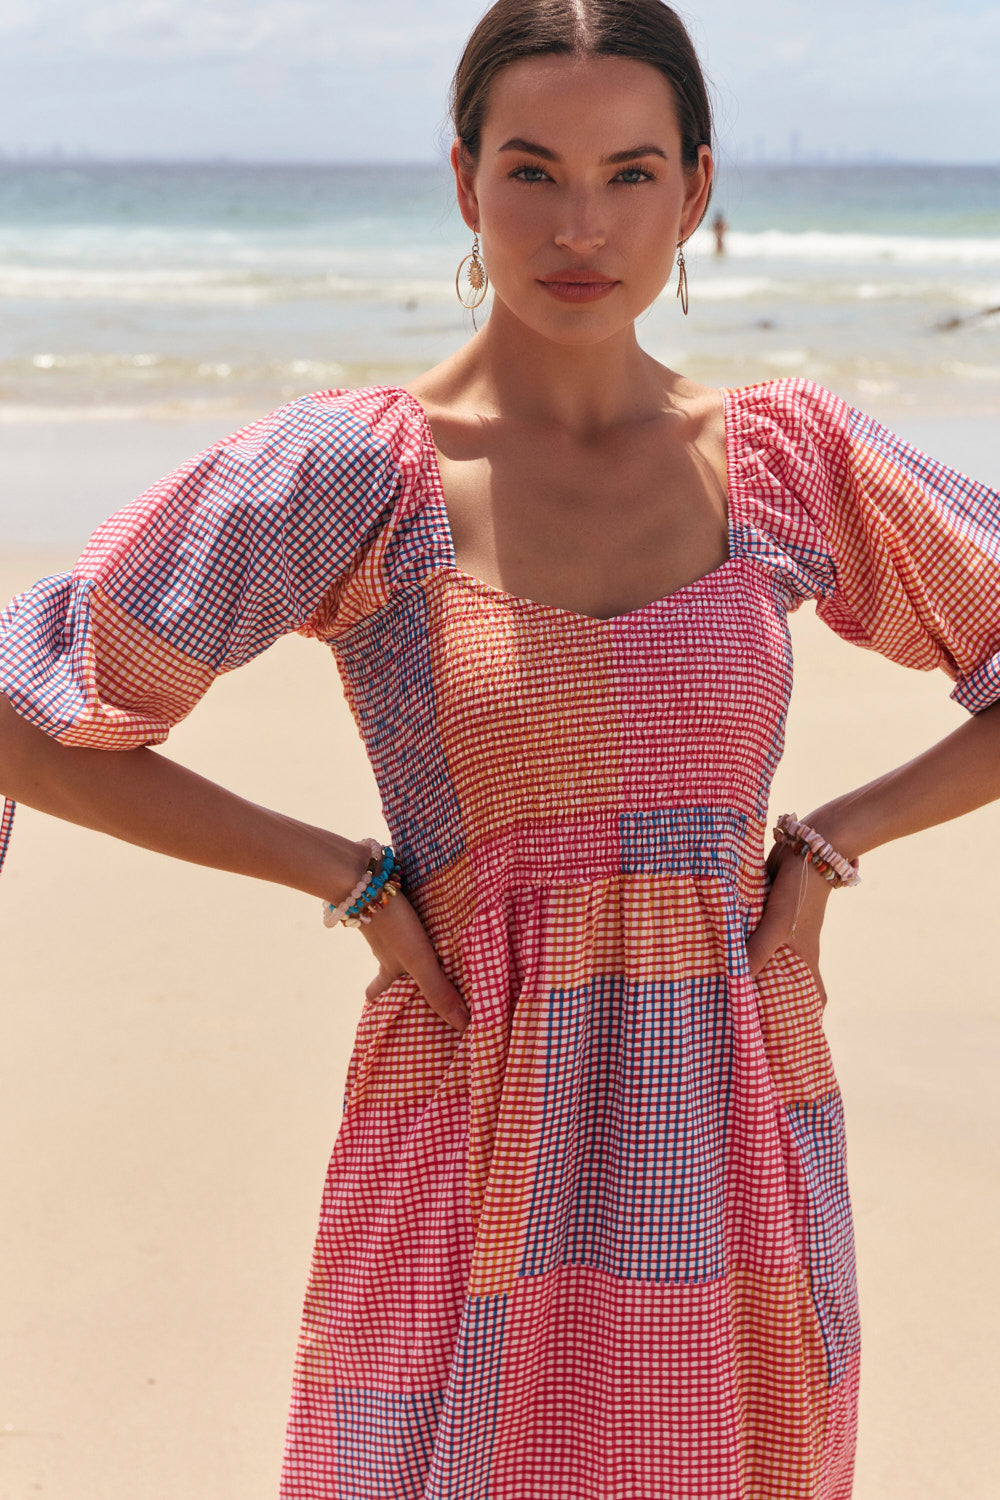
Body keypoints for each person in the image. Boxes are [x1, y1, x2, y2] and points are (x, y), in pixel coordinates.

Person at [2, 2, 999, 1496]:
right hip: (475, 1102)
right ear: (464, 185)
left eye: (631, 173)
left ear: (699, 191)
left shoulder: (787, 463)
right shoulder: (363, 476)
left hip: (728, 1111)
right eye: (531, 171)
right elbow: (32, 708)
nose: (579, 224)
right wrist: (331, 870)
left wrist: (832, 839)